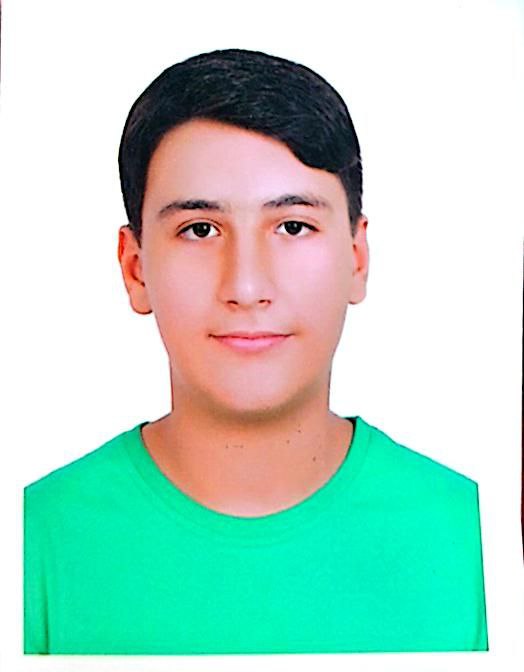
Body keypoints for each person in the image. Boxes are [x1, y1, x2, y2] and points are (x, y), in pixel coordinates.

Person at [24, 48, 488, 655]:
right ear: (135, 269)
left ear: (357, 258)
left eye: (293, 226)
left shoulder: (478, 540)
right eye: (199, 230)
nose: (245, 286)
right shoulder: (32, 540)